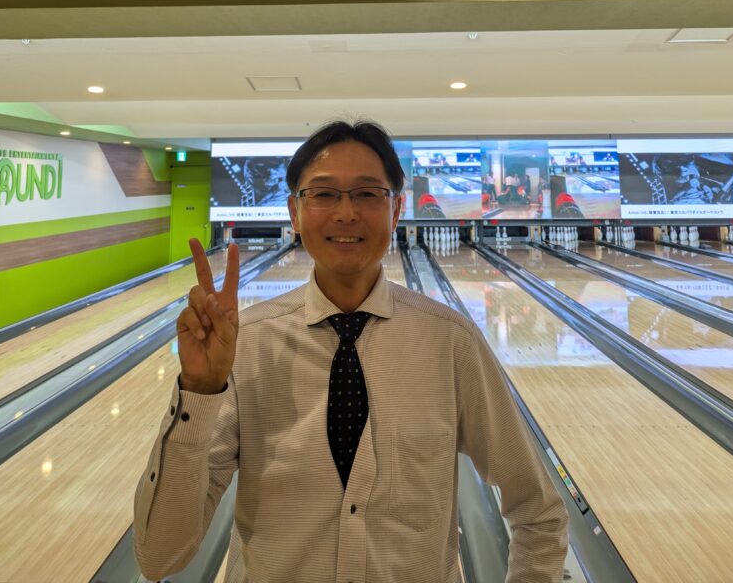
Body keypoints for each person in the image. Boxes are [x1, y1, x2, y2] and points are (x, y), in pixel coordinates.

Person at [134, 120, 568, 583]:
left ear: (396, 210)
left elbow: (538, 511)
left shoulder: (450, 343)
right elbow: (160, 556)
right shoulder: (247, 346)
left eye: (367, 193)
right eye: (324, 194)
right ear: (294, 212)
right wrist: (199, 393)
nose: (346, 212)